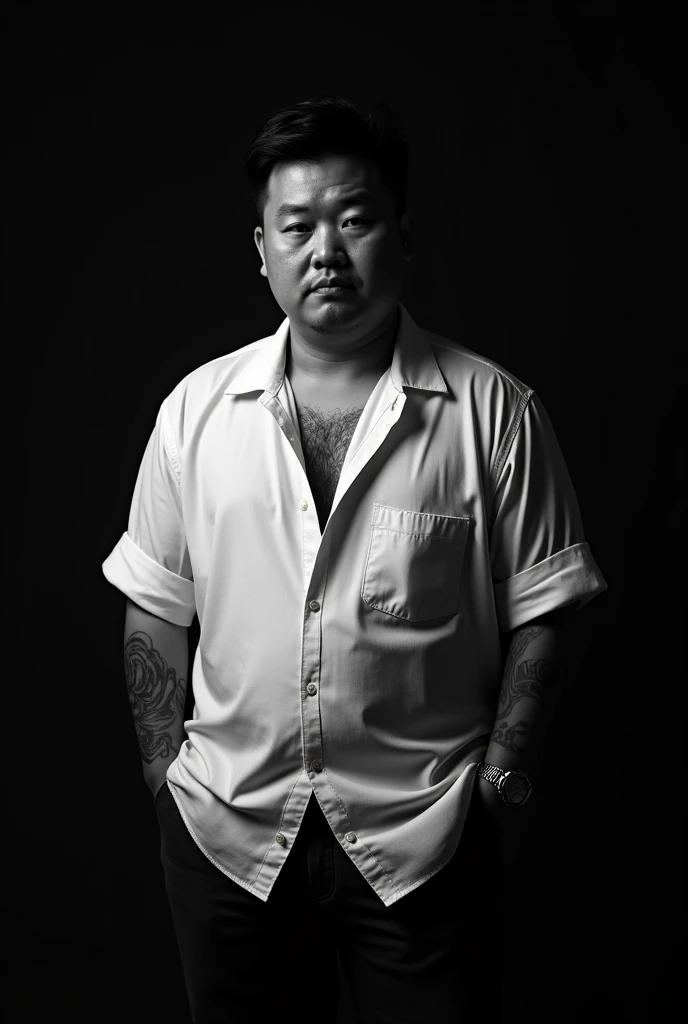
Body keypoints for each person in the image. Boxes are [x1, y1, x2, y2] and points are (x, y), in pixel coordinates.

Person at [102, 96, 607, 1024]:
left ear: (402, 234)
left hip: (426, 842)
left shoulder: (494, 412)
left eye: (355, 219)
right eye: (296, 227)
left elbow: (549, 607)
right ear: (262, 249)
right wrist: (163, 773)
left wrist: (502, 777)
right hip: (227, 835)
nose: (325, 249)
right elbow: (154, 604)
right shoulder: (193, 412)